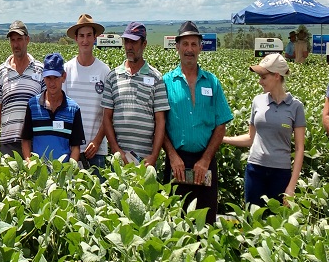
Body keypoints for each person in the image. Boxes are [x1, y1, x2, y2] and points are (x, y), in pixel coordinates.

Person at [162, 21, 233, 223]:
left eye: (194, 44)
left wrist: (205, 160)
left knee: (206, 222)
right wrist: (173, 156)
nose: (189, 49)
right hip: (176, 162)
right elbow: (159, 125)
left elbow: (221, 124)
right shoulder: (166, 82)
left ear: (201, 47)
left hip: (206, 162)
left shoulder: (212, 82)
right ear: (177, 47)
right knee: (176, 223)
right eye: (185, 44)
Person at [223, 53, 306, 206]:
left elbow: (300, 149)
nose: (260, 81)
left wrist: (291, 187)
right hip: (255, 170)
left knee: (278, 224)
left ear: (276, 76)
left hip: (281, 174)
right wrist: (222, 138)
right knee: (252, 220)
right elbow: (250, 138)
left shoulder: (296, 106)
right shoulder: (258, 101)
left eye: (263, 77)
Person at [102, 21, 169, 167]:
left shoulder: (156, 78)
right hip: (119, 159)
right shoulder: (113, 76)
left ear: (144, 44)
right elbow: (106, 117)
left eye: (134, 42)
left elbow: (160, 121)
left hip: (145, 161)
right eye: (126, 41)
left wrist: (154, 156)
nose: (129, 46)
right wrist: (116, 150)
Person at [63, 14, 109, 171]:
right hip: (70, 151)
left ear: (95, 38)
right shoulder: (66, 70)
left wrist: (96, 141)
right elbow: (62, 110)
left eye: (89, 35)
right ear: (76, 39)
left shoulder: (104, 71)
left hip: (96, 151)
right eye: (81, 36)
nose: (85, 40)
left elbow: (107, 114)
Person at [0, 20, 44, 157]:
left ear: (27, 40)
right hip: (8, 143)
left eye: (19, 39)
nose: (15, 44)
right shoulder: (2, 71)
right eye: (12, 40)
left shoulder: (40, 70)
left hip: (34, 141)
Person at [21, 53, 85, 167]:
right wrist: (29, 163)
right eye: (48, 78)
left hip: (62, 176)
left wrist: (68, 170)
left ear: (64, 77)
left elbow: (76, 147)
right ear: (43, 77)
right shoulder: (32, 105)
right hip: (38, 173)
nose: (51, 83)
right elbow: (26, 139)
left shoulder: (73, 109)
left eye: (56, 78)